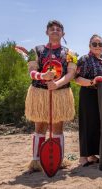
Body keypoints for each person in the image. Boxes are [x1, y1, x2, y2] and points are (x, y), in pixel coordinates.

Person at [25, 20, 77, 172]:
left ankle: (58, 160)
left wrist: (57, 84)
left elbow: (71, 73)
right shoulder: (35, 50)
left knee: (58, 127)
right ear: (46, 32)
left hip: (60, 93)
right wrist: (43, 76)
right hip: (40, 93)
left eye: (58, 29)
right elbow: (31, 72)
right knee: (40, 125)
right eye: (52, 29)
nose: (55, 31)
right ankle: (36, 161)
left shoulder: (70, 53)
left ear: (63, 33)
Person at [75, 34, 102, 166]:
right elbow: (77, 78)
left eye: (100, 44)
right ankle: (83, 157)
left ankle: (92, 155)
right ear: (89, 45)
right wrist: (92, 82)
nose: (97, 46)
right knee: (86, 124)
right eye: (94, 44)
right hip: (88, 94)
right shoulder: (84, 59)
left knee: (97, 125)